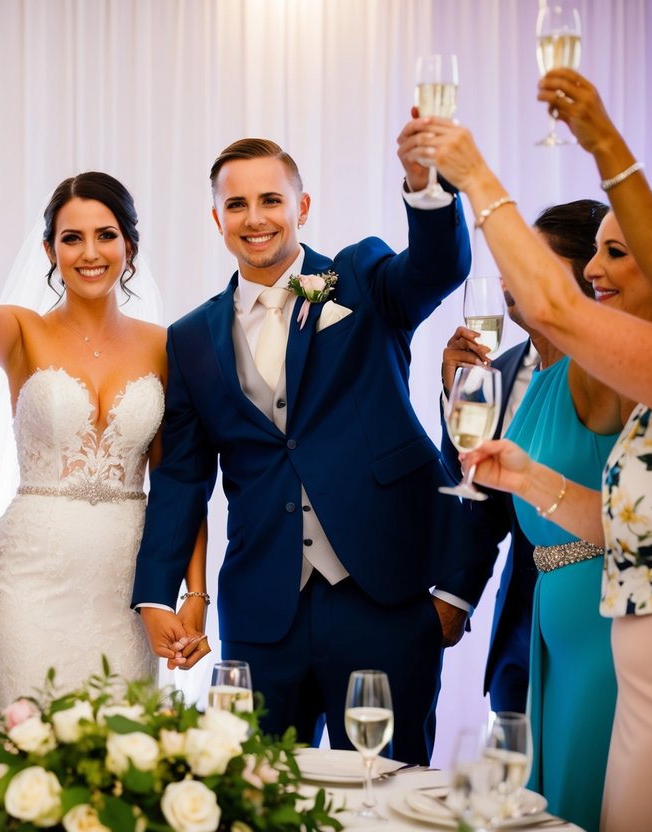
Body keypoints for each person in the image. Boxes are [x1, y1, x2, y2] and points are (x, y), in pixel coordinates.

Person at [132, 129, 479, 764]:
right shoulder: (190, 338)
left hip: (384, 596)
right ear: (217, 218)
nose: (255, 218)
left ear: (303, 206)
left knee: (388, 795)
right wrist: (158, 591)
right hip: (262, 611)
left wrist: (427, 189)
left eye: (271, 199)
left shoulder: (362, 276)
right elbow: (182, 478)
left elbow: (438, 267)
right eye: (236, 205)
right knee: (255, 797)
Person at [425, 98, 652, 832]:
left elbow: (555, 305)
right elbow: (619, 524)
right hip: (631, 653)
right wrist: (522, 477)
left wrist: (476, 175)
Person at [0, 138, 209, 721]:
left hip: (128, 588)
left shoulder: (167, 346)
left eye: (105, 235)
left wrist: (193, 594)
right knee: (22, 752)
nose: (89, 252)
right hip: (28, 584)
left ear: (129, 246)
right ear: (49, 250)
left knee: (121, 761)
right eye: (72, 238)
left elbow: (181, 481)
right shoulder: (21, 333)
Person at [438, 199, 607, 718]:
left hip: (602, 609)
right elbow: (478, 497)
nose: (512, 270)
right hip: (521, 621)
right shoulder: (503, 365)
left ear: (588, 274)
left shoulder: (613, 370)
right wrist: (455, 396)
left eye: (533, 258)